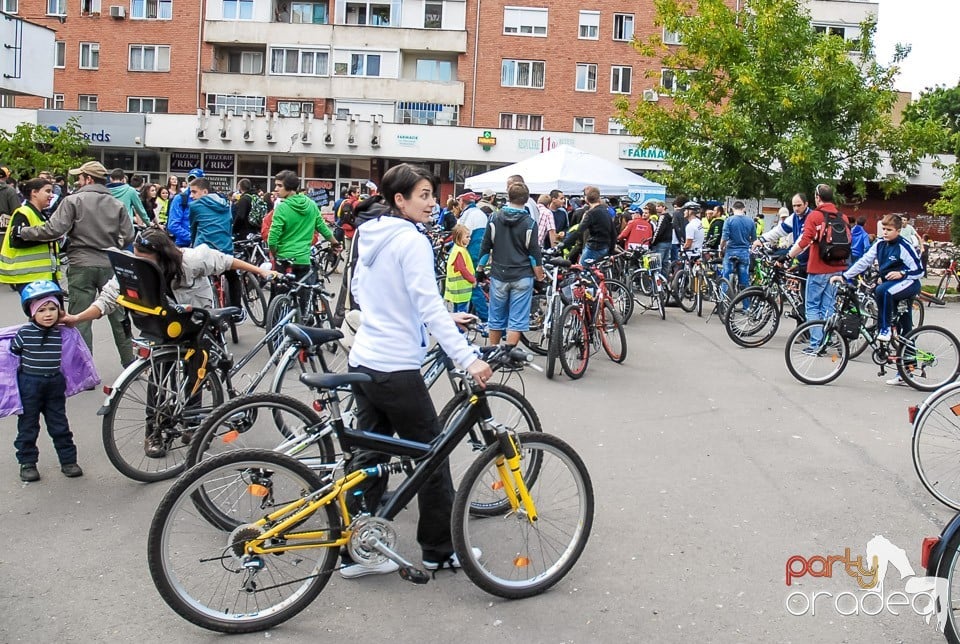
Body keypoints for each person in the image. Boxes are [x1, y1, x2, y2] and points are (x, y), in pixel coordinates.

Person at [343, 162, 491, 578]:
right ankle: (439, 550)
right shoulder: (412, 241)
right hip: (396, 367)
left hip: (366, 359)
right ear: (400, 200)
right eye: (423, 196)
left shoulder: (369, 235)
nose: (432, 203)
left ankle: (357, 549)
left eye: (432, 194)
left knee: (370, 456)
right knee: (432, 457)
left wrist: (436, 320)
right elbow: (424, 302)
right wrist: (468, 358)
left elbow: (369, 294)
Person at [15, 161, 135, 366]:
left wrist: (23, 232)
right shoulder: (117, 204)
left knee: (81, 319)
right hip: (109, 264)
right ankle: (129, 363)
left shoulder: (73, 201)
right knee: (118, 316)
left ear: (88, 179)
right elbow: (129, 235)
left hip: (81, 264)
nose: (77, 181)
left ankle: (84, 368)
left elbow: (53, 230)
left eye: (79, 177)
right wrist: (114, 246)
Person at [6, 281, 98, 482]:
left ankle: (68, 461)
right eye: (41, 310)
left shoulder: (62, 331)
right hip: (29, 385)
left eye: (52, 309)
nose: (48, 314)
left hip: (54, 384)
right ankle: (27, 463)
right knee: (28, 426)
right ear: (31, 313)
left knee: (59, 424)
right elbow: (13, 352)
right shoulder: (24, 333)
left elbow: (73, 351)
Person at [783, 184, 850, 352]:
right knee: (828, 306)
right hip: (837, 268)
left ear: (817, 197)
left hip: (818, 268)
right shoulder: (843, 217)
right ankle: (825, 341)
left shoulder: (815, 216)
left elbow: (804, 241)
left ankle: (816, 344)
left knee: (812, 306)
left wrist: (788, 256)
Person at [478, 181, 545, 347]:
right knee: (516, 320)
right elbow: (534, 254)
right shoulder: (529, 223)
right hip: (522, 276)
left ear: (508, 197)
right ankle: (507, 355)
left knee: (495, 317)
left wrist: (479, 269)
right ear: (527, 199)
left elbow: (485, 247)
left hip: (499, 274)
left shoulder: (494, 218)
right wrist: (540, 277)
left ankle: (493, 353)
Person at [267, 170, 341, 284]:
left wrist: (275, 252)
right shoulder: (311, 204)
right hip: (303, 259)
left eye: (279, 185)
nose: (276, 189)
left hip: (284, 258)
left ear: (290, 187)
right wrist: (335, 243)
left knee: (279, 294)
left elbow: (272, 239)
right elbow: (322, 228)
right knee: (303, 295)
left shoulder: (281, 208)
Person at [188, 177, 242, 317]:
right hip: (225, 247)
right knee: (233, 277)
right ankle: (237, 310)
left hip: (205, 249)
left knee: (196, 279)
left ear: (204, 191)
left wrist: (193, 246)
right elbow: (229, 223)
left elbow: (193, 228)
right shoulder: (225, 204)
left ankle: (198, 313)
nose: (191, 196)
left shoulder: (195, 206)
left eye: (194, 192)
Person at [0, 177, 61, 288]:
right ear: (34, 193)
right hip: (30, 277)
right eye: (47, 191)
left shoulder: (41, 214)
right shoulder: (23, 212)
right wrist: (49, 237)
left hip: (41, 276)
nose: (52, 195)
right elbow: (16, 241)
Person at [454, 191, 489, 321]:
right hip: (477, 254)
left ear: (462, 201)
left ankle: (487, 320)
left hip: (469, 255)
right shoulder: (479, 214)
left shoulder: (468, 215)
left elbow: (460, 237)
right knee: (471, 287)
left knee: (472, 287)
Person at [558, 185, 614, 264]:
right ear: (598, 198)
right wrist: (611, 251)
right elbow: (613, 232)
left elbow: (579, 231)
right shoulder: (605, 211)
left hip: (594, 247)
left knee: (581, 269)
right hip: (605, 247)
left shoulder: (590, 213)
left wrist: (564, 244)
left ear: (586, 199)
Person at [719, 200, 756, 299]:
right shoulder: (750, 221)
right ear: (744, 209)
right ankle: (746, 306)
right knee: (744, 280)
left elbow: (724, 238)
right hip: (744, 252)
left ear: (732, 209)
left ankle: (723, 302)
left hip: (730, 251)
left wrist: (721, 248)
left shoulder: (729, 220)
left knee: (725, 275)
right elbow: (754, 239)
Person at [167, 168, 205, 247]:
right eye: (190, 180)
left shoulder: (209, 199)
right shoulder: (180, 198)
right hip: (184, 244)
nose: (193, 183)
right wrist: (192, 238)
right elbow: (173, 225)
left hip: (204, 245)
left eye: (196, 180)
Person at [444, 224, 476, 313]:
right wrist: (472, 280)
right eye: (467, 237)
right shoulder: (460, 251)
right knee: (462, 312)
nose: (469, 239)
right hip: (461, 290)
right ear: (459, 238)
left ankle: (456, 327)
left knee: (456, 312)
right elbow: (462, 269)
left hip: (456, 290)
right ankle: (460, 327)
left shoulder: (456, 249)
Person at [650, 199, 674, 268]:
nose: (656, 208)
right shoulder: (669, 217)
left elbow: (658, 231)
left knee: (658, 263)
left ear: (664, 207)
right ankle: (665, 278)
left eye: (659, 206)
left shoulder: (662, 217)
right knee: (665, 263)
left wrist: (653, 242)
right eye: (656, 206)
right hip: (669, 242)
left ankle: (658, 278)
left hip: (661, 243)